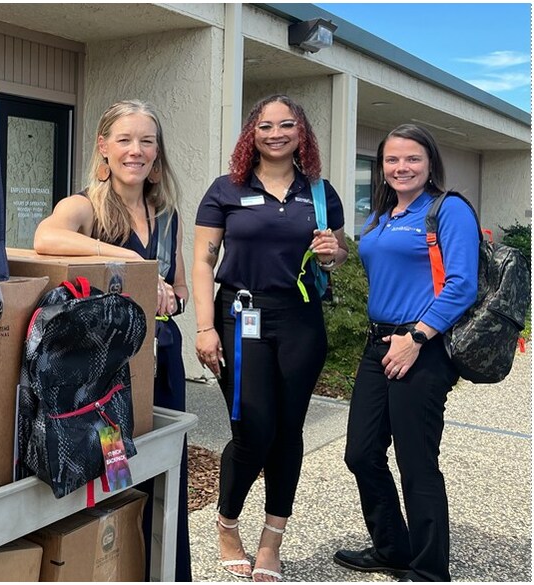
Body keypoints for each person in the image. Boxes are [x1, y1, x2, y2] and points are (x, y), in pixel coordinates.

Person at [191, 94, 348, 582]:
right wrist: (203, 327)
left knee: (289, 431)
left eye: (287, 125)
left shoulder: (320, 194)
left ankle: (271, 540)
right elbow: (202, 261)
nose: (276, 133)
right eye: (265, 126)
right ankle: (227, 523)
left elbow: (335, 259)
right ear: (250, 135)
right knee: (253, 428)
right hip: (241, 316)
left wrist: (330, 254)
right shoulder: (226, 189)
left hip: (300, 319)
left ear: (302, 134)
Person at [32, 99, 191, 581]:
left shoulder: (166, 215)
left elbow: (180, 289)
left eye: (147, 140)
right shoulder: (85, 205)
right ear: (104, 147)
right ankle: (111, 566)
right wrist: (126, 258)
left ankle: (164, 571)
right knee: (114, 474)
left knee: (166, 474)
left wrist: (172, 301)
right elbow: (45, 237)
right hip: (105, 382)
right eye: (124, 139)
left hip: (161, 365)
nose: (136, 150)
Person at [334, 124, 478, 582]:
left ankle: (429, 568)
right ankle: (392, 548)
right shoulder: (381, 216)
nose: (401, 167)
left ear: (430, 162)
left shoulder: (447, 209)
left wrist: (416, 339)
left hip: (422, 347)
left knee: (417, 462)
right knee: (361, 452)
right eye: (392, 159)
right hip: (378, 344)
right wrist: (331, 255)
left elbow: (462, 284)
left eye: (412, 158)